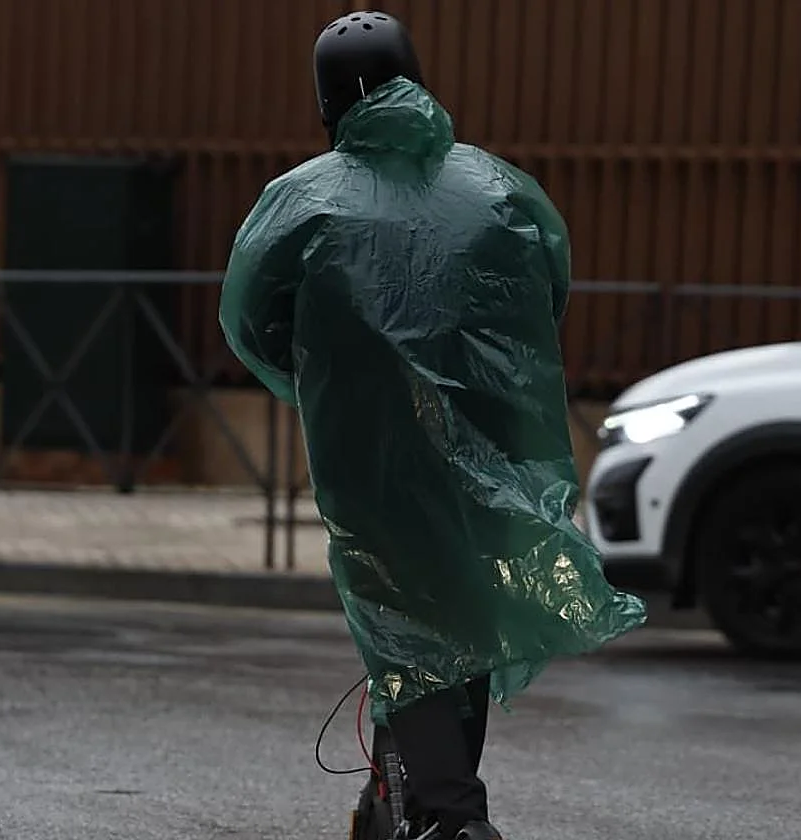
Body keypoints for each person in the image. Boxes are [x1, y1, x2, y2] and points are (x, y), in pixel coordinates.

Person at [219, 11, 647, 840]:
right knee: (465, 615)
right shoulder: (500, 186)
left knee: (406, 617)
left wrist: (313, 377)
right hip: (494, 440)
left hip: (370, 445)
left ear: (326, 103)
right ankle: (400, 801)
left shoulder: (300, 200)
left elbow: (247, 320)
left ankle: (448, 816)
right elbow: (547, 292)